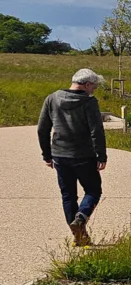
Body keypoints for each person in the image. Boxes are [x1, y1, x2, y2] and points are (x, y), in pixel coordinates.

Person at [38, 69, 109, 247]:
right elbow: (96, 130)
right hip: (84, 155)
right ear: (86, 85)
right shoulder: (88, 101)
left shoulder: (52, 98)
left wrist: (46, 154)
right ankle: (81, 217)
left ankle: (80, 236)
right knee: (93, 191)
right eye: (94, 86)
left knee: (68, 195)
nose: (94, 90)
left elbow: (42, 129)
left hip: (60, 155)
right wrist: (101, 155)